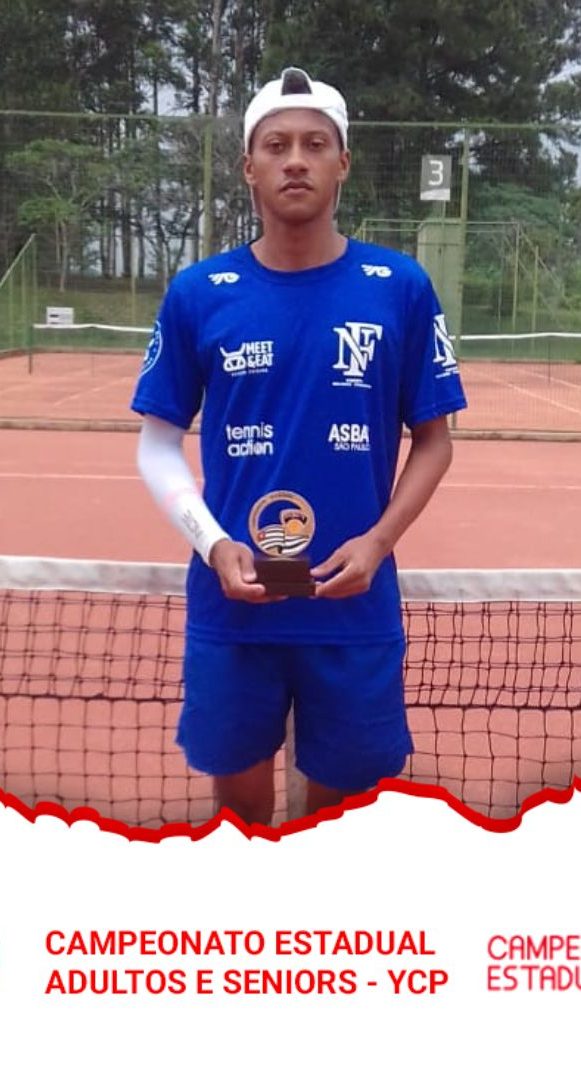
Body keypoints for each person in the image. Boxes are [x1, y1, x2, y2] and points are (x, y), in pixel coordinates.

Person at [131, 66, 467, 826]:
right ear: (247, 167)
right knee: (241, 815)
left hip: (351, 608)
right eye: (275, 145)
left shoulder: (399, 286)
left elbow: (435, 441)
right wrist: (215, 544)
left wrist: (377, 542)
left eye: (315, 144)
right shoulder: (198, 293)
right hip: (234, 606)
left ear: (342, 163)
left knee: (338, 819)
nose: (295, 160)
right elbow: (156, 446)